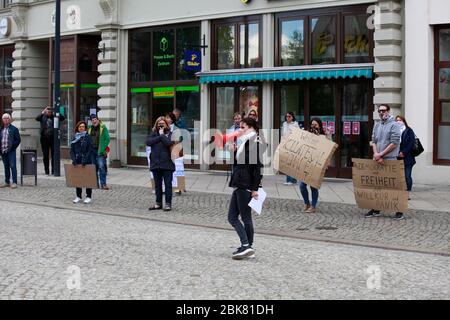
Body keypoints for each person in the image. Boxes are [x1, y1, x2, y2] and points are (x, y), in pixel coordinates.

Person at [228, 117, 264, 260]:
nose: (240, 130)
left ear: (250, 128)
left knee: (241, 218)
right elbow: (241, 163)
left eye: (242, 127)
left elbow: (258, 168)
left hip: (246, 184)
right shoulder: (245, 143)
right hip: (240, 182)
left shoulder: (255, 143)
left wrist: (255, 188)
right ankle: (247, 246)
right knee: (234, 217)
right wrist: (234, 152)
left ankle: (246, 245)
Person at [366, 104, 403, 220]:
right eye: (379, 111)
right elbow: (374, 141)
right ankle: (376, 208)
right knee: (377, 185)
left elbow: (394, 142)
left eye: (383, 110)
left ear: (388, 111)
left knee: (393, 186)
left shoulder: (394, 125)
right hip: (378, 159)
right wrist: (376, 155)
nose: (381, 113)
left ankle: (399, 210)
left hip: (390, 159)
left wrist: (381, 154)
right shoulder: (377, 125)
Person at [299, 118, 328, 213]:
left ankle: (313, 206)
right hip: (307, 163)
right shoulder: (307, 135)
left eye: (315, 125)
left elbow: (328, 150)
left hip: (317, 165)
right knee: (302, 185)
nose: (313, 126)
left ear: (319, 125)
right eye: (312, 125)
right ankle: (307, 203)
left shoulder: (324, 136)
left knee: (313, 186)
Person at [147, 117, 175, 212]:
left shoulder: (170, 134)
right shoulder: (153, 134)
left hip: (167, 164)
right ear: (156, 125)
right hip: (156, 163)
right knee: (157, 186)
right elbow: (148, 142)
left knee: (168, 185)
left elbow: (169, 144)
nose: (161, 125)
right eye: (159, 124)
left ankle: (168, 204)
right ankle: (158, 203)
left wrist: (162, 135)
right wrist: (159, 136)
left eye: (163, 123)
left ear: (167, 125)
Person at [70, 121, 96, 204]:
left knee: (87, 179)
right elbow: (72, 150)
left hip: (86, 161)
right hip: (77, 161)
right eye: (80, 126)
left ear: (85, 128)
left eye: (83, 126)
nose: (81, 128)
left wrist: (85, 160)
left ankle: (88, 196)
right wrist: (73, 159)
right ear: (77, 128)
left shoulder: (87, 137)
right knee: (78, 179)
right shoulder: (75, 137)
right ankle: (78, 196)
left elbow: (90, 150)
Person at [35, 106, 66, 175]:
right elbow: (37, 118)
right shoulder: (43, 116)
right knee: (45, 155)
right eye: (47, 111)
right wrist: (43, 112)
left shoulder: (54, 116)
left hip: (53, 139)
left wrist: (56, 112)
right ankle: (46, 170)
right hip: (44, 138)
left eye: (50, 111)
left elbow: (63, 118)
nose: (48, 113)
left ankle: (53, 170)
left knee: (54, 155)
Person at [88, 114, 110, 190]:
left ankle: (103, 184)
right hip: (92, 151)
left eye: (95, 119)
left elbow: (107, 139)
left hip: (100, 151)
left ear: (97, 119)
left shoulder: (103, 127)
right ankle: (95, 184)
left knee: (101, 167)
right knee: (94, 168)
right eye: (92, 120)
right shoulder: (90, 128)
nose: (94, 121)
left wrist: (103, 149)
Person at [396, 115, 416, 199]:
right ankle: (400, 192)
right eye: (397, 120)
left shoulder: (409, 131)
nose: (398, 122)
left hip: (408, 158)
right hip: (397, 157)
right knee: (400, 176)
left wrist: (403, 152)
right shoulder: (396, 131)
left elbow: (411, 144)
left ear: (404, 121)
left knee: (407, 176)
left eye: (400, 120)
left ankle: (407, 194)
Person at [0, 113, 21, 189]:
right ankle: (7, 182)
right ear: (2, 120)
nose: (5, 120)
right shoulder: (1, 129)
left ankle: (14, 182)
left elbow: (18, 140)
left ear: (10, 120)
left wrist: (12, 147)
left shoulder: (14, 129)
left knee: (13, 166)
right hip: (3, 150)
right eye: (4, 118)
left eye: (7, 118)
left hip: (11, 151)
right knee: (6, 166)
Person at [282, 112, 300, 186]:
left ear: (292, 117)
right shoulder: (284, 124)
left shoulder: (295, 124)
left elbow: (298, 134)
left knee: (292, 163)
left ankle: (292, 180)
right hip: (285, 145)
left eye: (289, 116)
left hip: (293, 145)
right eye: (286, 116)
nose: (287, 118)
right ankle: (289, 179)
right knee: (287, 163)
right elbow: (283, 134)